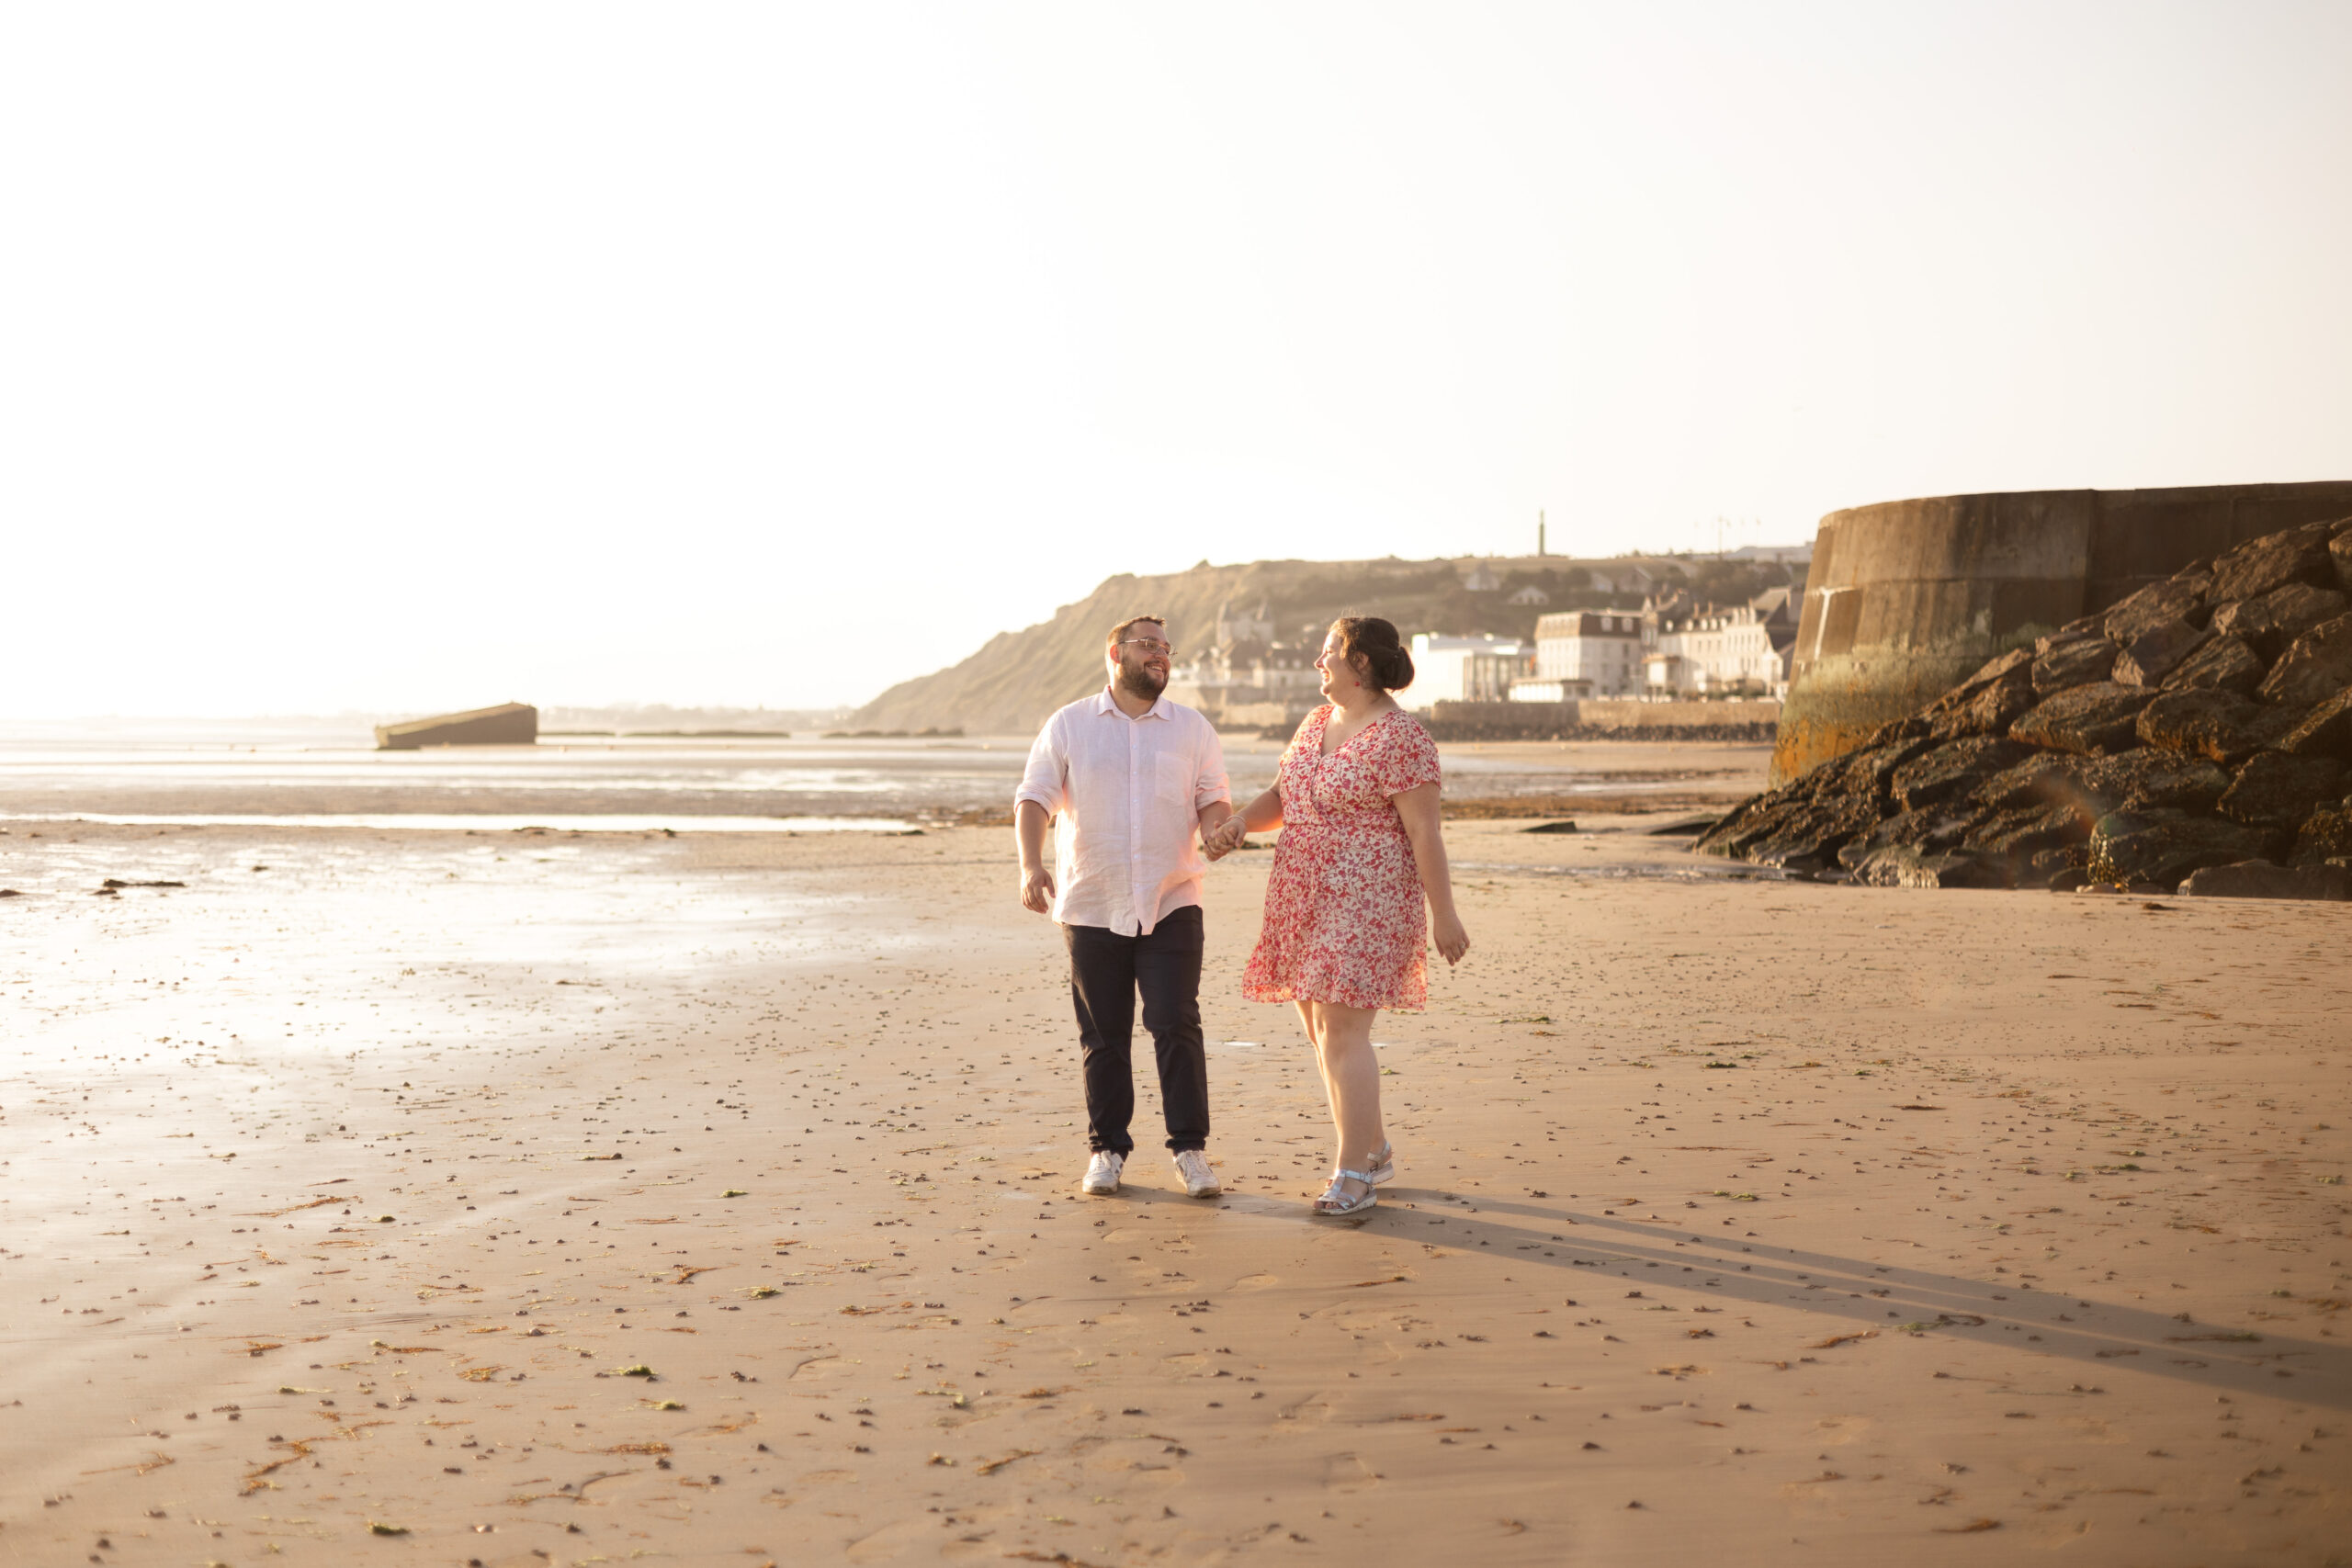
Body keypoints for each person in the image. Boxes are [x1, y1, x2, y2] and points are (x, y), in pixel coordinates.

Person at [1204, 615, 1468, 1216]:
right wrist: (1240, 822)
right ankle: (1372, 1146)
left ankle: (1353, 1172)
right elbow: (1283, 794)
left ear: (1363, 665)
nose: (1317, 663)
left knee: (1345, 1031)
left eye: (1328, 653)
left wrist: (1443, 914)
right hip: (1303, 892)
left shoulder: (1402, 737)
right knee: (1321, 1032)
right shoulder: (1316, 722)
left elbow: (1425, 832)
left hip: (1367, 897)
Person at [1015, 615, 1235, 1200]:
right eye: (1148, 646)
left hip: (1173, 897)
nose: (1161, 655)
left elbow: (1213, 800)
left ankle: (1190, 1150)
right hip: (1091, 901)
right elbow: (1034, 797)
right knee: (1103, 1034)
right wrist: (1032, 865)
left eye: (1167, 647)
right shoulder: (1069, 725)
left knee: (1175, 1023)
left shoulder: (1192, 729)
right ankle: (1106, 1150)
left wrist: (1219, 830)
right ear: (1115, 653)